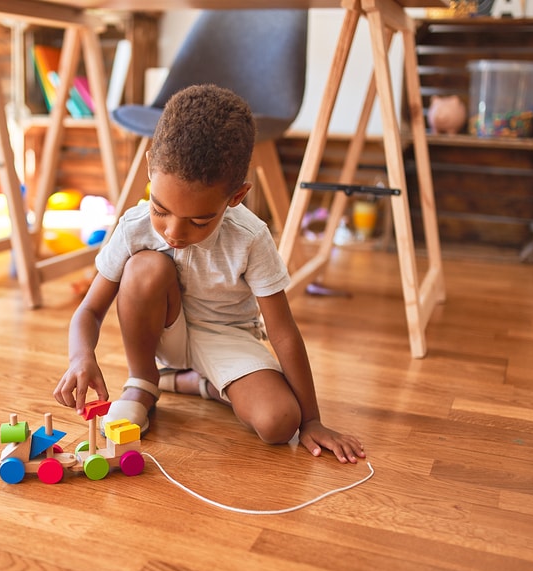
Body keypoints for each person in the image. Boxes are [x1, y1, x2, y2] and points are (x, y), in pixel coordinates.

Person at [53, 84, 365, 463]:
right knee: (146, 266)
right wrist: (80, 356)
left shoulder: (251, 237)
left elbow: (283, 333)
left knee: (280, 422)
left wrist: (312, 420)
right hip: (164, 331)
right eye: (160, 209)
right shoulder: (133, 227)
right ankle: (145, 381)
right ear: (151, 167)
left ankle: (197, 383)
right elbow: (89, 311)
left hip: (227, 338)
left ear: (236, 196)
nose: (173, 233)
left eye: (199, 220)